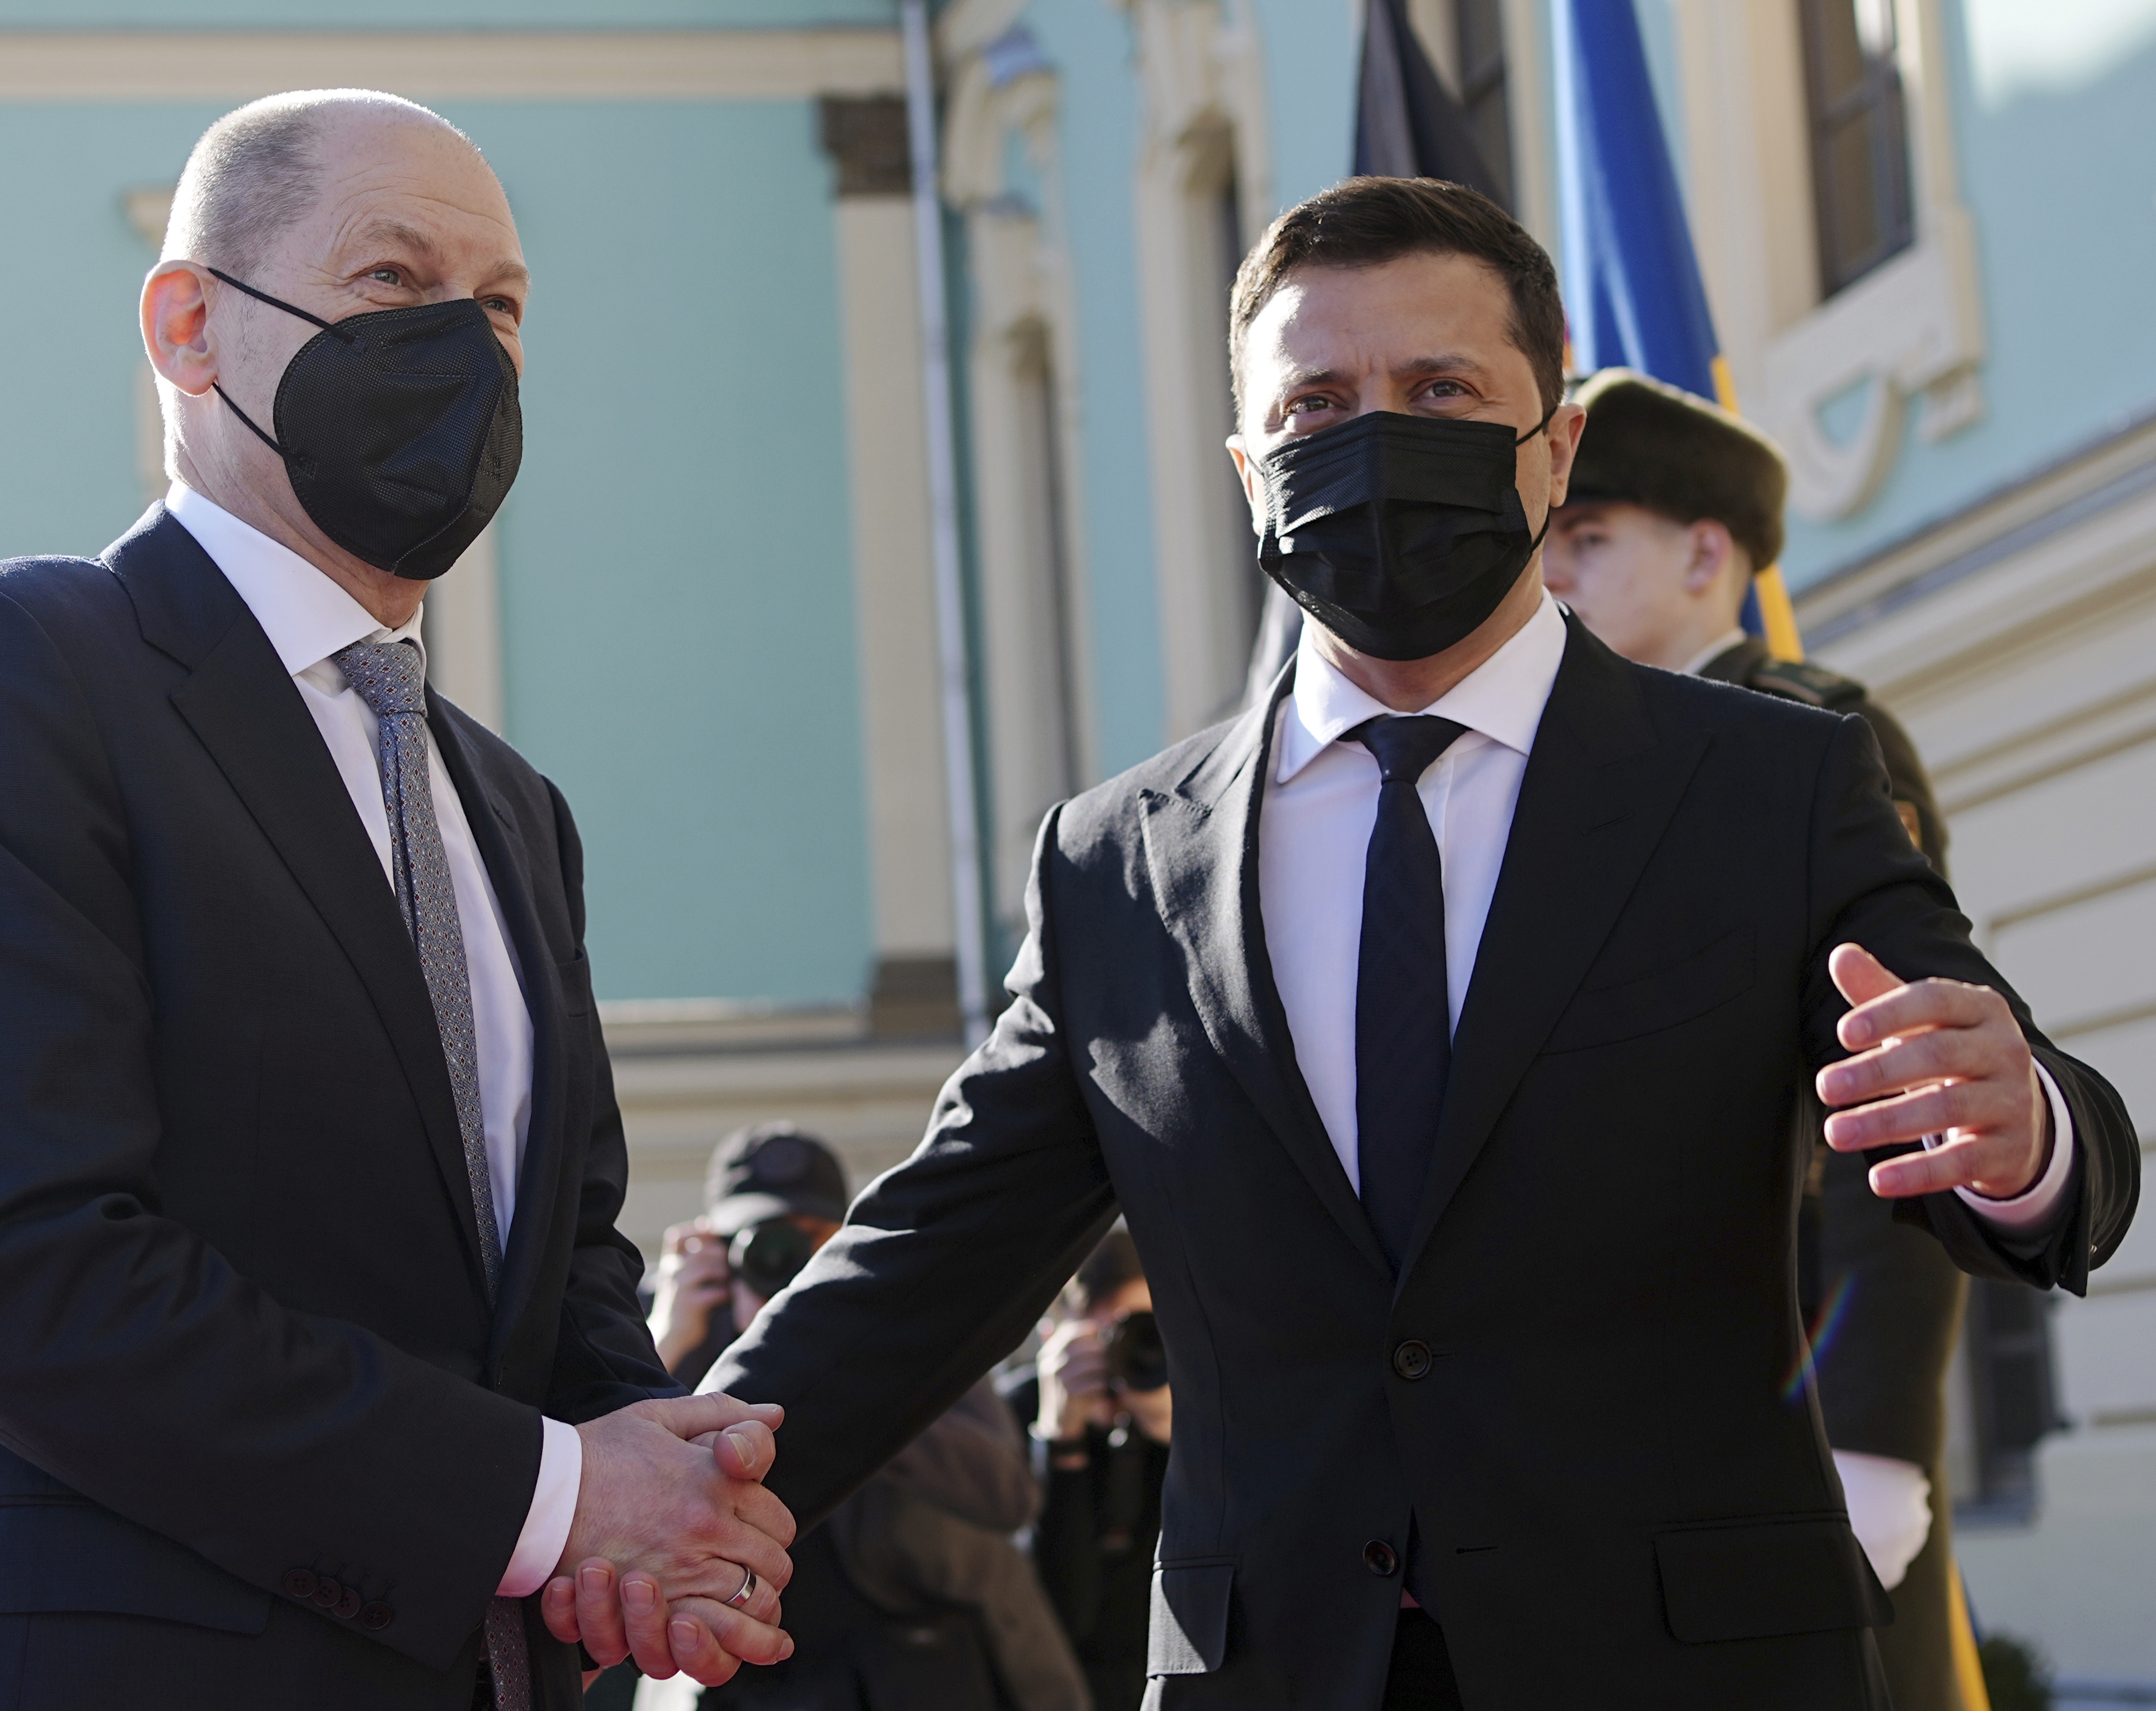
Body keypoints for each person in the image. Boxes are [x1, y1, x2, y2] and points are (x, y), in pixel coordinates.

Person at [648, 177, 2139, 1708]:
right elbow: (933, 1248)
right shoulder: (1113, 864)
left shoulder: (1768, 785)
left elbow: (2016, 1120)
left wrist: (2017, 1126)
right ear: (1247, 471)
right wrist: (661, 1475)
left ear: (1551, 448)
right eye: (1314, 403)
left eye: (1439, 390)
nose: (1374, 439)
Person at [0, 89, 795, 1711]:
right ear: (189, 328)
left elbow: (555, 1270)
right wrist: (557, 1498)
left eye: (498, 307)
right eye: (393, 283)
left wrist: (667, 1499)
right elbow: (28, 1275)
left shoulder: (509, 806)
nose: (461, 351)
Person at [1545, 368, 1975, 1711]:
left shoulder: (1813, 744)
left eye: (1587, 538)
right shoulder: (1560, 781)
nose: (1546, 574)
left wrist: (1875, 1439)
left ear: (1705, 551)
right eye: (1540, 539)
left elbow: (1904, 1094)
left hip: (1782, 1406)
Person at [633, 1125, 1085, 1711]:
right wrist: (668, 1341)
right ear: (717, 1250)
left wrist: (858, 1371)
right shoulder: (679, 1334)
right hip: (743, 1684)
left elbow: (1007, 1495)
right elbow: (606, 1487)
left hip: (916, 1668)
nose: (787, 1265)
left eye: (811, 1242)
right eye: (762, 1244)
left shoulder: (906, 1324)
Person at [1002, 1227, 1170, 1711]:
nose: (1127, 1353)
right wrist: (1059, 1442)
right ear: (1056, 1334)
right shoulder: (1018, 1412)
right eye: (1108, 1335)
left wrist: (1172, 1436)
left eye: (1145, 1332)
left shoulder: (1197, 1416)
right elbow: (1057, 1614)